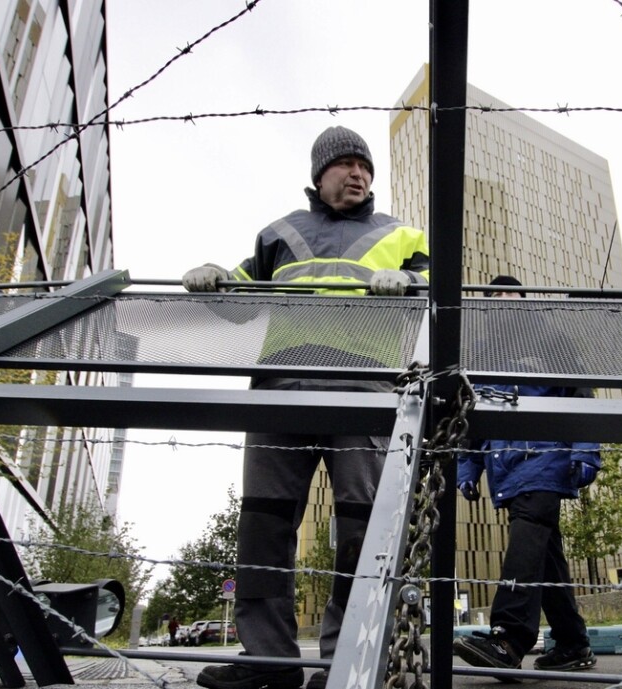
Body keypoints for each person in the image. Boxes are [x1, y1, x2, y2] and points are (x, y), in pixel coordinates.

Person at [182, 125, 429, 689]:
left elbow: (434, 287)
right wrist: (214, 279)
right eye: (345, 164)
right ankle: (269, 661)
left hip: (363, 390)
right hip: (281, 389)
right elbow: (239, 301)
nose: (357, 173)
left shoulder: (402, 234)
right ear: (319, 175)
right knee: (263, 524)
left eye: (364, 166)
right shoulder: (279, 234)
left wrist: (409, 280)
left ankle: (346, 660)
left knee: (360, 528)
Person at [451, 275, 601, 674]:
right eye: (495, 294)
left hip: (545, 459)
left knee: (527, 538)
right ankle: (572, 643)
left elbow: (579, 392)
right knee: (544, 554)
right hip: (505, 466)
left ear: (523, 298)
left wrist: (585, 449)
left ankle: (509, 638)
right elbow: (473, 414)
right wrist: (468, 467)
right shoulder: (480, 355)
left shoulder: (551, 339)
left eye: (510, 292)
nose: (503, 298)